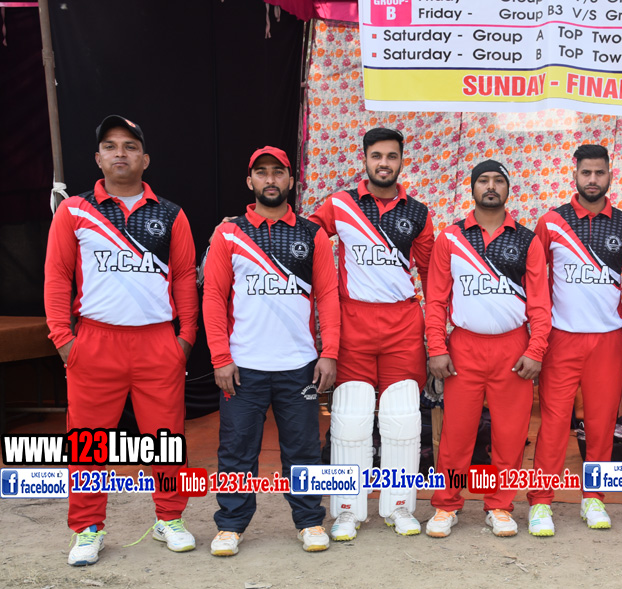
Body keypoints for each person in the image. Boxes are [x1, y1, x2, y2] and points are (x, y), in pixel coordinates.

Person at [44, 116, 198, 566]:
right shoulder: (75, 210)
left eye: (130, 146)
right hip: (95, 341)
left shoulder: (171, 214)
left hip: (157, 343)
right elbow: (57, 276)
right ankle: (87, 529)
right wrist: (63, 338)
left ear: (145, 159)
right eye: (110, 146)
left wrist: (185, 339)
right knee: (88, 444)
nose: (120, 153)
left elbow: (185, 280)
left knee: (166, 439)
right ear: (98, 158)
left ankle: (170, 518)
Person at [202, 146, 341, 555]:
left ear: (291, 180)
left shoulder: (312, 234)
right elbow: (214, 297)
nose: (270, 179)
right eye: (261, 172)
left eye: (278, 172)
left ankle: (309, 521)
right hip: (243, 366)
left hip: (299, 366)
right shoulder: (229, 233)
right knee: (236, 450)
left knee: (303, 448)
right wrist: (220, 357)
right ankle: (231, 525)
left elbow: (328, 297)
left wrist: (329, 352)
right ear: (250, 181)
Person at [310, 127, 434, 540]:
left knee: (403, 420)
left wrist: (438, 335)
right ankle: (347, 511)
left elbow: (433, 275)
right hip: (353, 323)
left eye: (391, 156)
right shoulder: (340, 204)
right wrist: (243, 226)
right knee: (350, 421)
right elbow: (300, 238)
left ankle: (399, 508)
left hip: (402, 324)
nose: (384, 163)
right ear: (364, 159)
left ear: (401, 161)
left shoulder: (419, 213)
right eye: (377, 156)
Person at [424, 160, 551, 538]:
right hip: (464, 347)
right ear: (472, 187)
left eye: (498, 181)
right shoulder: (451, 238)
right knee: (456, 435)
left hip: (513, 348)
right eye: (484, 180)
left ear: (508, 189)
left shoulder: (527, 240)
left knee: (510, 436)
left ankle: (500, 505)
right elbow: (436, 300)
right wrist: (436, 347)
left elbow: (540, 305)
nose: (491, 186)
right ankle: (446, 504)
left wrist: (536, 350)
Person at [530, 144, 622, 535]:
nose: (593, 180)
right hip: (561, 339)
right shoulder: (551, 222)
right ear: (574, 174)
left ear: (610, 175)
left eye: (599, 173)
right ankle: (541, 501)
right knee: (554, 423)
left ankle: (594, 499)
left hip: (607, 341)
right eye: (586, 173)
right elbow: (533, 278)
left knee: (602, 424)